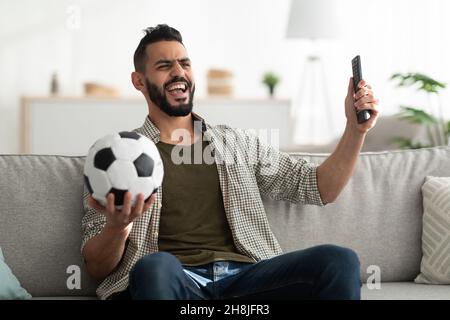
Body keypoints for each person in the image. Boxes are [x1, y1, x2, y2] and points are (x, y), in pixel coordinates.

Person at [81, 24, 379, 300]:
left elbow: (316, 188)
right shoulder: (116, 158)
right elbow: (97, 267)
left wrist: (355, 129)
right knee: (155, 267)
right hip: (176, 284)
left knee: (339, 260)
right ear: (139, 81)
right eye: (164, 66)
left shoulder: (237, 142)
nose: (178, 72)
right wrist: (118, 227)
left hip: (247, 280)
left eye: (184, 63)